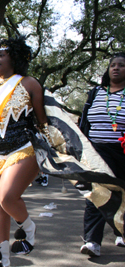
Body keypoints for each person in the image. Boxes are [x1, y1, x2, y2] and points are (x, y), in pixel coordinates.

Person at [0, 36, 47, 267]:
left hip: (23, 149)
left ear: (14, 57)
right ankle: (3, 258)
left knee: (6, 198)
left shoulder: (29, 84)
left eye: (1, 55)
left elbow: (43, 121)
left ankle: (29, 227)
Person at [78, 52, 125, 256]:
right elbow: (84, 123)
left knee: (121, 194)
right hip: (96, 152)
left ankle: (121, 232)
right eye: (112, 65)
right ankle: (92, 242)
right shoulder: (96, 93)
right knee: (95, 194)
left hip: (121, 152)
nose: (115, 68)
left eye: (121, 65)